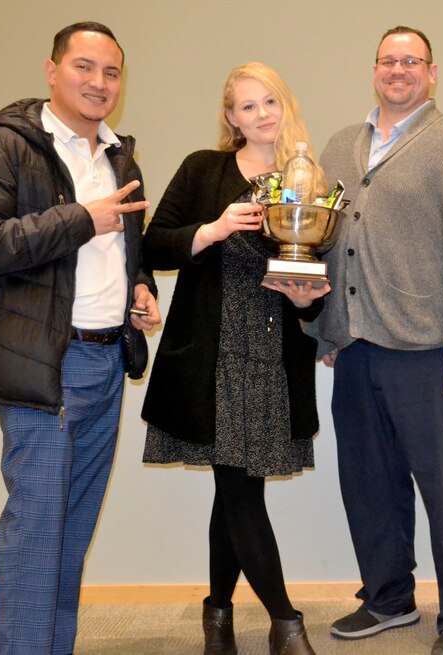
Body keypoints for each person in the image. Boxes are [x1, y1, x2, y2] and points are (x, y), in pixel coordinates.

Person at [0, 22, 161, 655]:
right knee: (36, 533)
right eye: (84, 68)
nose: (99, 83)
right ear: (51, 71)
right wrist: (80, 219)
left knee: (70, 534)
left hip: (103, 362)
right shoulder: (3, 150)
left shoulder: (121, 158)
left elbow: (125, 250)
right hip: (42, 364)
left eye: (112, 72)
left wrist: (140, 289)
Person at [309, 25, 443, 655]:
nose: (398, 70)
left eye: (411, 61)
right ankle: (389, 598)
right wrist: (325, 329)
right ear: (375, 69)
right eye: (388, 60)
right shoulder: (342, 145)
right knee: (367, 484)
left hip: (432, 354)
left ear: (431, 72)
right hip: (356, 347)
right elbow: (321, 239)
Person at [140, 62, 328, 655]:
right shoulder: (204, 169)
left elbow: (324, 272)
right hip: (214, 355)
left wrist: (308, 301)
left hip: (276, 356)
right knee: (241, 490)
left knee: (238, 491)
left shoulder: (309, 178)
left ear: (284, 105)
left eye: (268, 101)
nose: (261, 114)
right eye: (246, 106)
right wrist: (214, 228)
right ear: (230, 118)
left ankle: (218, 616)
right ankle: (286, 622)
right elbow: (154, 242)